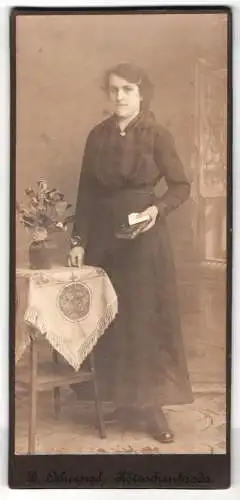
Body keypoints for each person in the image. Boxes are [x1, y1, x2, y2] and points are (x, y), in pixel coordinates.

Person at [68, 62, 193, 443]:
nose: (120, 97)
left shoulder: (157, 134)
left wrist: (157, 209)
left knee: (143, 320)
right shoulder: (97, 136)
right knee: (111, 318)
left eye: (128, 90)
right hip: (105, 239)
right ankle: (121, 401)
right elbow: (86, 192)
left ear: (142, 94)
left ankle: (150, 407)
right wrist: (78, 240)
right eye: (114, 90)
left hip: (144, 239)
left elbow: (180, 186)